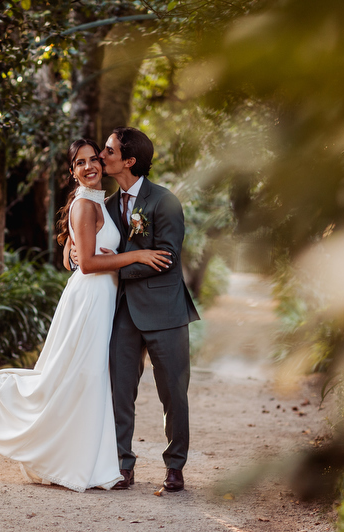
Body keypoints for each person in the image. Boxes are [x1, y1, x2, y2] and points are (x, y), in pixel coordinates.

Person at [0, 139, 171, 492]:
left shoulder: (100, 202)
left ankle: (88, 459)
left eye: (94, 159)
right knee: (85, 374)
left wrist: (71, 249)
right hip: (91, 298)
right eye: (81, 162)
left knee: (90, 377)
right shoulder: (84, 204)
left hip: (103, 297)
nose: (90, 166)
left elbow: (75, 254)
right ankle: (75, 460)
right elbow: (90, 264)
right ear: (72, 171)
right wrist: (137, 256)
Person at [69, 127, 200, 492]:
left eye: (107, 151)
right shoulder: (105, 204)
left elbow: (167, 258)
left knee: (173, 393)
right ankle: (121, 464)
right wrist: (74, 254)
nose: (100, 157)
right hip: (122, 311)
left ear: (128, 161)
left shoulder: (165, 201)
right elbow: (81, 244)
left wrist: (117, 264)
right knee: (118, 390)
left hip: (166, 312)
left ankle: (175, 466)